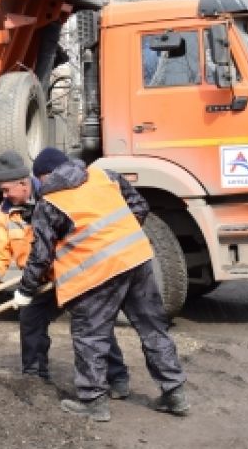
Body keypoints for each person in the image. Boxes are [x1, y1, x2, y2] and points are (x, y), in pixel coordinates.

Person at [12, 147, 189, 422]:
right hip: (136, 260)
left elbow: (41, 255)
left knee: (90, 335)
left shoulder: (51, 201)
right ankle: (174, 392)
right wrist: (118, 239)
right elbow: (140, 206)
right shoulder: (104, 175)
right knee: (153, 328)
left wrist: (25, 290)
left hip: (97, 274)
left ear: (45, 175)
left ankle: (94, 401)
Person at [0, 151, 130, 397]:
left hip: (72, 273)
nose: (4, 196)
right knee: (30, 319)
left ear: (24, 184)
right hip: (40, 279)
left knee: (93, 324)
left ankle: (117, 377)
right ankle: (34, 377)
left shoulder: (55, 197)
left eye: (6, 190)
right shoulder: (6, 212)